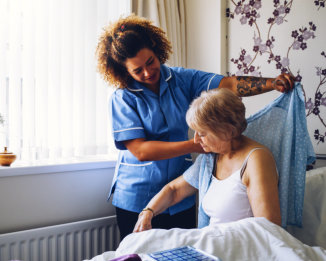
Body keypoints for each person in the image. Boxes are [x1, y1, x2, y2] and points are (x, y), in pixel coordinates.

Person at [95, 14, 292, 240]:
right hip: (137, 197)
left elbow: (228, 84)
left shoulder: (182, 79)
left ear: (156, 50)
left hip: (180, 198)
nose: (148, 73)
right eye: (137, 71)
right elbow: (141, 151)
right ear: (123, 71)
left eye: (150, 62)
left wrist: (271, 83)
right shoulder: (122, 98)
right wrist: (197, 144)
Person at [133, 88, 281, 232]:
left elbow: (269, 229)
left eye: (202, 133)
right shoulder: (211, 159)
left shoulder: (256, 160)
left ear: (227, 131)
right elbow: (174, 190)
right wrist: (148, 211)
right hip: (213, 245)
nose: (196, 140)